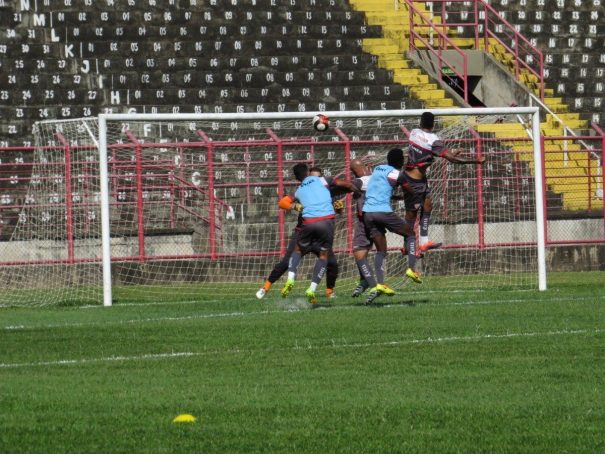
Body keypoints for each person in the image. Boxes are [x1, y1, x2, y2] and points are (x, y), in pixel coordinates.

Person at [276, 163, 361, 304]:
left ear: (297, 177)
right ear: (309, 172)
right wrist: (356, 191)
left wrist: (293, 206)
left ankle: (291, 278)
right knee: (323, 256)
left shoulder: (298, 190)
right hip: (326, 221)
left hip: (308, 222)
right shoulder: (322, 180)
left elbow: (282, 203)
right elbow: (345, 184)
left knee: (297, 251)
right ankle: (312, 288)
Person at [403, 111, 486, 254]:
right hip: (413, 181)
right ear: (433, 124)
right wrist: (476, 161)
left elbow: (429, 152)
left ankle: (424, 242)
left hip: (418, 178)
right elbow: (449, 159)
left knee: (427, 206)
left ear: (421, 123)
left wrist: (451, 152)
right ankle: (407, 246)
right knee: (411, 214)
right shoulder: (434, 140)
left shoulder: (414, 132)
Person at [256, 166, 339, 300]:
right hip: (303, 233)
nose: (315, 180)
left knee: (332, 263)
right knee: (285, 263)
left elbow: (336, 210)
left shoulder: (325, 192)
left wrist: (339, 208)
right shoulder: (302, 191)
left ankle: (329, 292)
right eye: (313, 177)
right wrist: (294, 206)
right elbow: (282, 202)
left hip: (319, 236)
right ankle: (265, 287)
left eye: (318, 177)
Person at [361, 148, 417, 304]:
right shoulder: (395, 173)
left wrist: (396, 195)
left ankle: (380, 284)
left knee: (381, 251)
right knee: (410, 234)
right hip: (382, 212)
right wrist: (417, 194)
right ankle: (412, 268)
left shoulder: (377, 169)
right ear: (400, 161)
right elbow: (409, 190)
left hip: (368, 213)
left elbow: (379, 189)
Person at [348, 159, 375, 298]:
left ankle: (373, 285)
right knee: (364, 253)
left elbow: (347, 188)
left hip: (365, 221)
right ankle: (364, 281)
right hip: (380, 219)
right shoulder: (376, 179)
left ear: (353, 172)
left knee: (358, 252)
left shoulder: (359, 181)